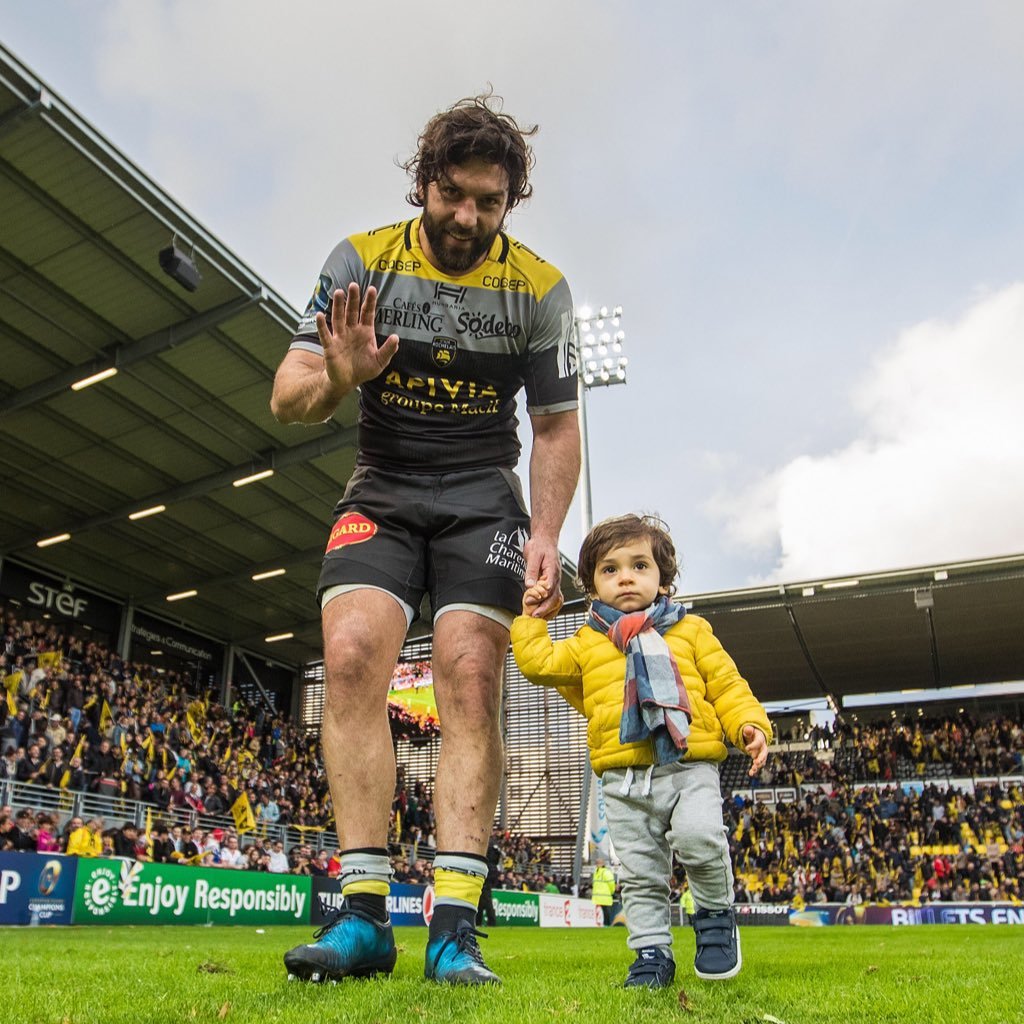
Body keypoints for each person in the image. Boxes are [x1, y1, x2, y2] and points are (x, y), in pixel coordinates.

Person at [272, 92, 580, 988]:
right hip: (384, 486)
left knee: (471, 679)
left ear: (509, 202)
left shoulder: (540, 289)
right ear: (424, 185)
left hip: (485, 497)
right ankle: (362, 917)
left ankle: (453, 929)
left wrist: (549, 534)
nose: (468, 218)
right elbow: (287, 400)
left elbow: (556, 428)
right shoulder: (360, 261)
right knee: (354, 653)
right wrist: (340, 371)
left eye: (489, 202)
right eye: (454, 196)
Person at [511, 514, 771, 989]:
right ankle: (651, 953)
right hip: (623, 776)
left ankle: (714, 917)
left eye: (638, 565)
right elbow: (541, 665)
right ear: (591, 584)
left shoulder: (691, 631)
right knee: (640, 872)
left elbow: (727, 685)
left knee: (698, 838)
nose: (625, 576)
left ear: (662, 578)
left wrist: (749, 724)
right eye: (610, 569)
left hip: (689, 762)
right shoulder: (587, 641)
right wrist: (532, 621)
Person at [591, 856, 616, 926]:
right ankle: (606, 924)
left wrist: (611, 892)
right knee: (605, 911)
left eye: (598, 863)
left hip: (604, 896)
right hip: (602, 896)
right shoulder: (598, 872)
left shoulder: (604, 872)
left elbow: (611, 884)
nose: (597, 864)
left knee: (606, 912)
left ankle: (607, 924)